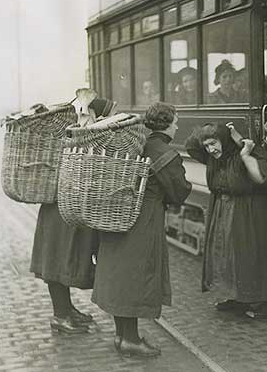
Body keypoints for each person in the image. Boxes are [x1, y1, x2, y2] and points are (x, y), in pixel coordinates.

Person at [91, 102, 191, 358]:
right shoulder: (165, 152)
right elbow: (179, 191)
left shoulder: (135, 142)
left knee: (120, 277)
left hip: (117, 216)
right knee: (137, 277)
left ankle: (122, 335)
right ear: (167, 124)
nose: (177, 125)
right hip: (143, 221)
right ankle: (132, 341)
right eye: (176, 121)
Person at [185, 123, 267, 318]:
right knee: (229, 257)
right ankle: (237, 297)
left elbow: (263, 179)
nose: (210, 149)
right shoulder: (214, 158)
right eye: (207, 146)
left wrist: (244, 151)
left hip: (253, 214)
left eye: (213, 143)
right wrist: (217, 131)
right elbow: (190, 146)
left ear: (224, 140)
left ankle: (265, 303)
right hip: (226, 211)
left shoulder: (249, 155)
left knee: (249, 257)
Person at [29, 100, 117, 334]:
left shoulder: (80, 133)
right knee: (56, 260)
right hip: (59, 209)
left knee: (63, 260)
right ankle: (60, 315)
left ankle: (67, 309)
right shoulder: (73, 134)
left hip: (67, 209)